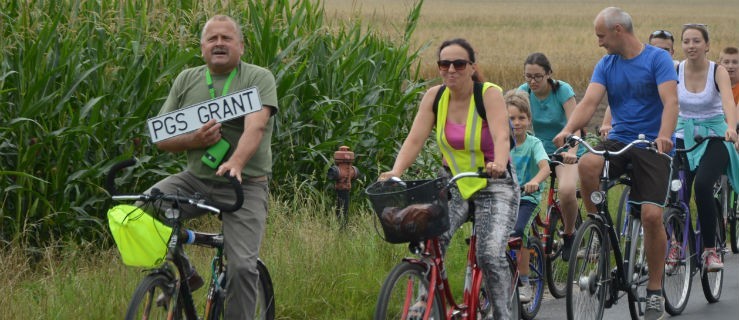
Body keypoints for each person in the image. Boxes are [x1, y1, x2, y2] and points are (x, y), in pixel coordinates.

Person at [145, 15, 278, 319]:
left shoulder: (258, 77)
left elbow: (255, 128)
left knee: (243, 268)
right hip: (196, 180)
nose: (219, 43)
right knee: (141, 209)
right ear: (202, 48)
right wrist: (194, 139)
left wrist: (236, 162)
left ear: (241, 47)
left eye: (226, 38)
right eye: (212, 39)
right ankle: (185, 272)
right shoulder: (187, 79)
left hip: (242, 185)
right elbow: (161, 138)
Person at [553, 7, 679, 320]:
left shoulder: (656, 59)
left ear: (619, 30)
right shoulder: (607, 64)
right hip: (621, 139)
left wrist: (664, 135)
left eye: (601, 35)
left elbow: (671, 102)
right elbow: (589, 103)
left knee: (651, 215)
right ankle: (598, 231)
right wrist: (569, 130)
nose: (599, 43)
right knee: (588, 164)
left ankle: (653, 290)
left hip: (651, 143)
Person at [379, 38, 518, 320]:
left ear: (472, 67)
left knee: (489, 254)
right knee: (430, 240)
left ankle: (503, 313)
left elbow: (502, 134)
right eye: (444, 64)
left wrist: (499, 162)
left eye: (459, 64)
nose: (451, 69)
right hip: (453, 182)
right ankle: (426, 300)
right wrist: (396, 171)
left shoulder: (488, 94)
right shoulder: (435, 96)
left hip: (493, 181)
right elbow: (415, 139)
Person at [674, 24, 738, 271]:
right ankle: (676, 243)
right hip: (683, 134)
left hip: (714, 136)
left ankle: (710, 250)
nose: (691, 46)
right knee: (675, 190)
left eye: (696, 41)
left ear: (707, 45)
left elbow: (728, 103)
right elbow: (667, 102)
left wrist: (731, 128)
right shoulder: (676, 69)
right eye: (687, 41)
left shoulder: (717, 71)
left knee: (701, 185)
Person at [517, 53, 581, 260]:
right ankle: (529, 239)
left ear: (548, 74)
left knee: (567, 191)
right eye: (528, 76)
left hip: (565, 147)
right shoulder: (523, 92)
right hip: (538, 148)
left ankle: (569, 234)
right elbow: (513, 123)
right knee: (520, 190)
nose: (532, 81)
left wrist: (571, 151)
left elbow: (576, 125)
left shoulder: (562, 90)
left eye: (537, 76)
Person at [506, 90, 550, 303]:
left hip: (527, 198)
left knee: (517, 231)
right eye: (511, 118)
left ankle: (525, 282)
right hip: (504, 196)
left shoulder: (534, 144)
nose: (516, 123)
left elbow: (545, 167)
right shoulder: (501, 144)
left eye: (521, 118)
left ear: (529, 120)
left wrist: (535, 181)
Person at [599, 29, 678, 138]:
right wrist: (606, 123)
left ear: (672, 52)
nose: (662, 53)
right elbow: (620, 98)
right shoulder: (643, 70)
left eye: (666, 50)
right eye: (657, 49)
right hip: (641, 134)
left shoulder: (679, 70)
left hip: (673, 131)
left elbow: (672, 103)